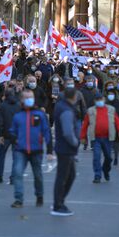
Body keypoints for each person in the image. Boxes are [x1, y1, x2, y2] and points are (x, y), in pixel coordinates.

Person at [8, 90, 53, 208]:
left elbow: (46, 132)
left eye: (31, 97)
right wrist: (14, 139)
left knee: (37, 175)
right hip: (20, 150)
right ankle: (19, 199)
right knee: (17, 173)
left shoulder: (40, 115)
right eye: (27, 98)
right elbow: (12, 131)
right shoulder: (18, 116)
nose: (29, 100)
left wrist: (49, 150)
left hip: (36, 150)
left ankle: (39, 195)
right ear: (22, 100)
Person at [80, 93, 119, 183]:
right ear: (94, 101)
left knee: (108, 158)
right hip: (96, 138)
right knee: (96, 157)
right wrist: (83, 137)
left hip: (108, 138)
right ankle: (97, 175)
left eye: (101, 99)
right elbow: (85, 125)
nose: (99, 101)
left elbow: (118, 121)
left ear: (104, 99)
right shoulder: (90, 111)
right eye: (97, 100)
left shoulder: (111, 109)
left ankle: (106, 170)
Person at [51, 88, 80, 217]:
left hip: (64, 148)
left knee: (69, 176)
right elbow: (68, 132)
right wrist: (75, 142)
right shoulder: (67, 110)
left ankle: (59, 201)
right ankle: (58, 204)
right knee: (64, 177)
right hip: (66, 148)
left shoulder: (61, 106)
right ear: (73, 97)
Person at [0, 86, 21, 184]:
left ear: (5, 95)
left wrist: (0, 134)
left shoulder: (2, 106)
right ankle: (13, 177)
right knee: (16, 156)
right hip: (16, 134)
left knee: (1, 155)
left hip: (6, 134)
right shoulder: (19, 105)